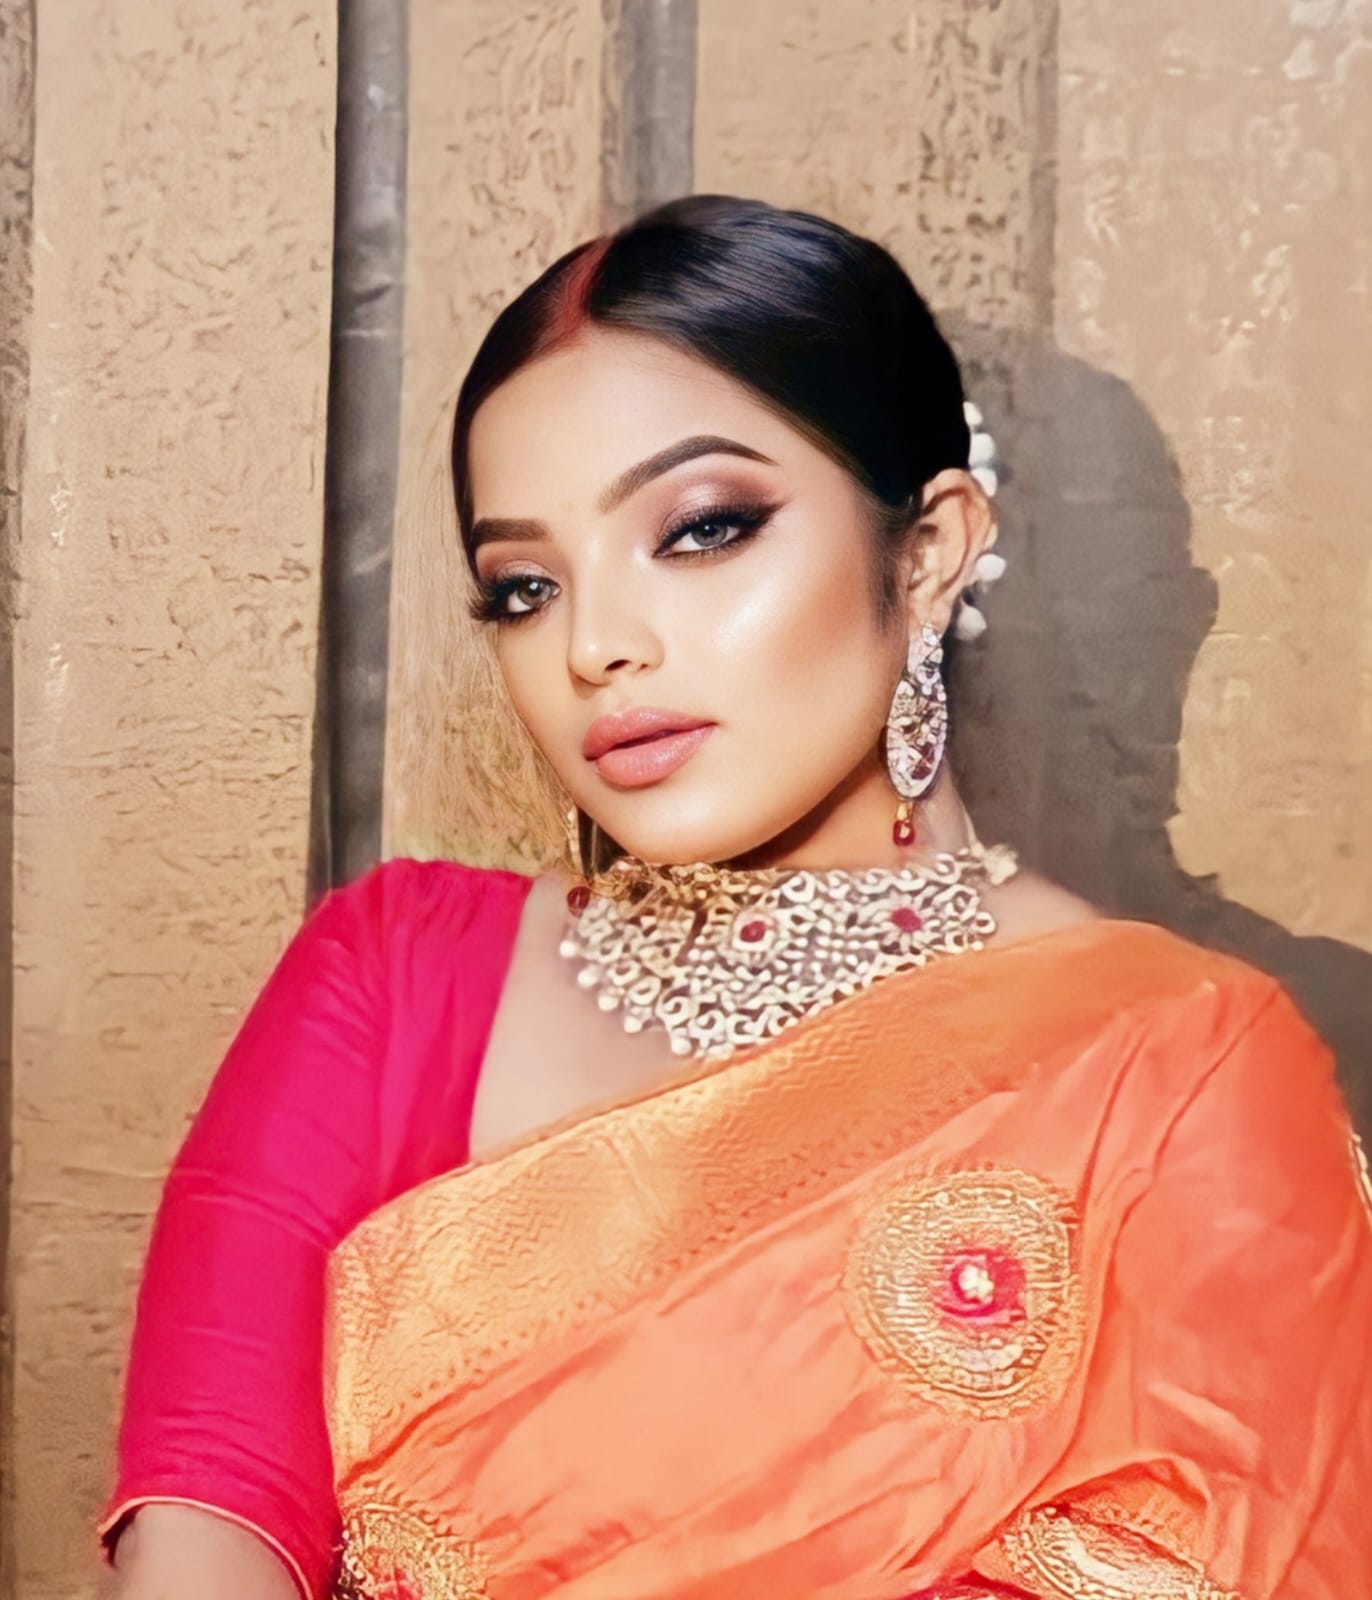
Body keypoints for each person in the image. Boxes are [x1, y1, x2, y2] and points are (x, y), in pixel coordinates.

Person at [101, 195, 1372, 1600]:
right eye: (523, 588)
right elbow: (203, 1518)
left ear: (928, 550)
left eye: (703, 530)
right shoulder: (393, 974)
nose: (596, 645)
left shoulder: (1176, 1064)